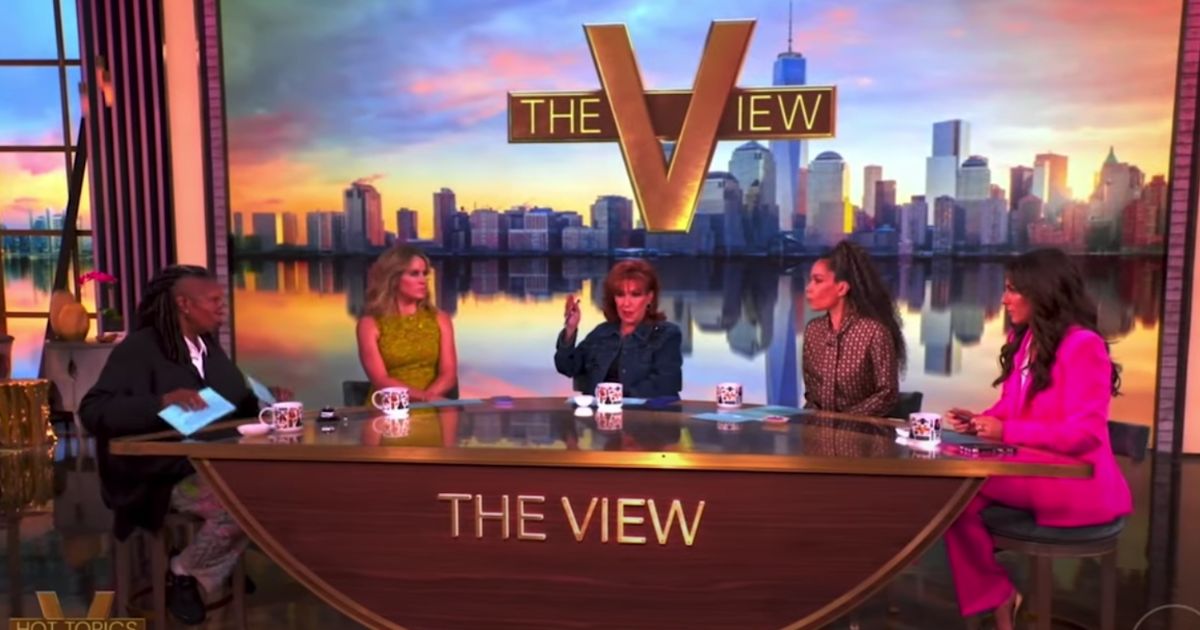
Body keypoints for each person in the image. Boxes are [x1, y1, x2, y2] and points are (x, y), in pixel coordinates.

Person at [79, 265, 290, 625]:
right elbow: (93, 410)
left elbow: (232, 399)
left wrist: (266, 399)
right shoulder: (140, 348)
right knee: (241, 503)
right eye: (213, 300)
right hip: (158, 473)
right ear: (184, 304)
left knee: (272, 487)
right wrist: (160, 402)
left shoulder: (207, 346)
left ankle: (215, 563)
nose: (222, 307)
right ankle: (185, 571)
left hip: (205, 461)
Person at [943, 249, 1132, 629]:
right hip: (1033, 470)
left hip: (1072, 482)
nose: (1003, 299)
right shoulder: (1027, 339)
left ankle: (996, 596)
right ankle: (997, 595)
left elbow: (1083, 435)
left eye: (1012, 290)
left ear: (1041, 291)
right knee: (949, 496)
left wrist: (1006, 432)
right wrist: (980, 421)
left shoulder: (1083, 346)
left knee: (952, 493)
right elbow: (1010, 405)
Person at [802, 240, 906, 416]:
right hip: (817, 427)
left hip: (863, 429)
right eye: (810, 280)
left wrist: (846, 420)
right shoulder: (813, 331)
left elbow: (887, 395)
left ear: (842, 288)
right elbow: (811, 395)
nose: (808, 288)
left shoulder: (874, 332)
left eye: (817, 281)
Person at [555, 259, 683, 399]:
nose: (626, 303)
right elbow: (567, 366)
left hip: (644, 412)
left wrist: (614, 398)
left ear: (649, 298)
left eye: (635, 294)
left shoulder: (666, 335)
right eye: (620, 295)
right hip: (599, 410)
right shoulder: (602, 333)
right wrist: (570, 328)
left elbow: (667, 384)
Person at [356, 245, 458, 402]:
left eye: (425, 274)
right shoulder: (369, 324)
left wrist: (428, 401)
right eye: (414, 274)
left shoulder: (440, 319)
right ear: (393, 279)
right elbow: (381, 380)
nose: (423, 281)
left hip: (435, 403)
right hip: (390, 406)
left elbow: (449, 375)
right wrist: (424, 398)